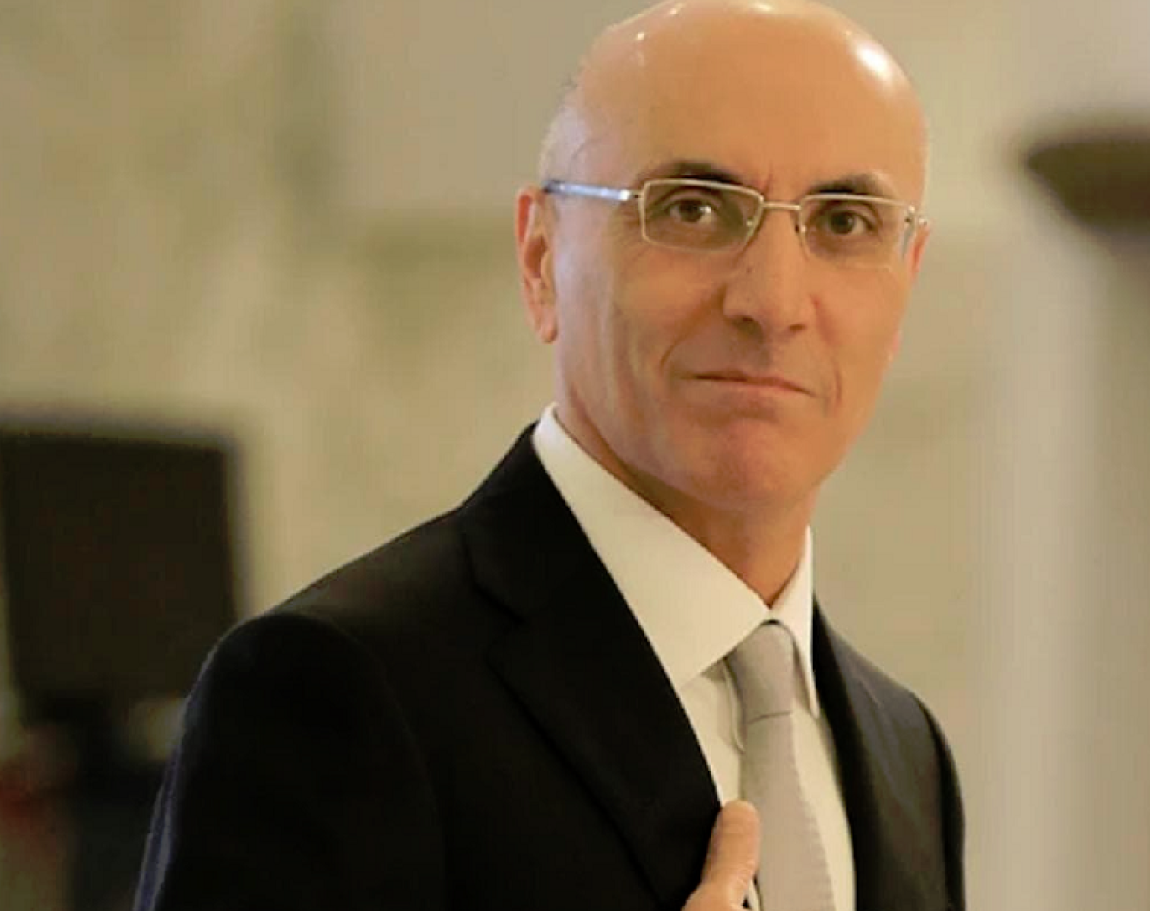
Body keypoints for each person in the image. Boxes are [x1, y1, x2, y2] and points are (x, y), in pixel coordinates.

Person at [133, 1, 965, 909]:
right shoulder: (333, 689)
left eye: (844, 223)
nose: (773, 302)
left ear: (908, 279)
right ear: (540, 260)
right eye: (692, 209)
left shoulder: (904, 751)